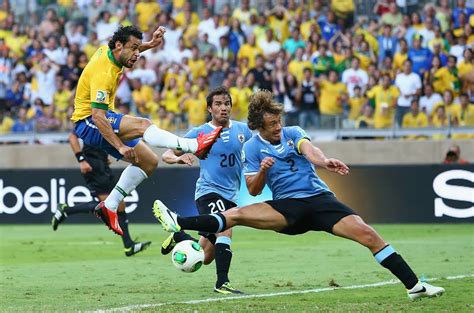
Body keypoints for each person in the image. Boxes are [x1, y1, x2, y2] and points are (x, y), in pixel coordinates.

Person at [153, 90, 445, 301]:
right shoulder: (252, 148)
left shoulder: (293, 132)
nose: (278, 128)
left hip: (320, 200)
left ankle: (414, 286)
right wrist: (265, 171)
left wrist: (324, 161)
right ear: (259, 127)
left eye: (279, 122)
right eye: (272, 125)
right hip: (287, 208)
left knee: (369, 235)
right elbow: (254, 189)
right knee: (236, 216)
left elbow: (310, 150)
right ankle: (178, 221)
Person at [71, 25, 222, 235]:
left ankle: (110, 206)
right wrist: (120, 146)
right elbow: (98, 116)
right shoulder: (103, 73)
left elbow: (127, 50)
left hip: (101, 118)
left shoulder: (110, 52)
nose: (136, 54)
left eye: (137, 48)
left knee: (149, 162)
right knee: (143, 125)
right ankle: (193, 145)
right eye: (133, 48)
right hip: (89, 121)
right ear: (118, 45)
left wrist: (149, 45)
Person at [160, 86, 252, 294]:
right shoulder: (199, 133)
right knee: (225, 227)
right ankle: (222, 283)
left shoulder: (242, 130)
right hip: (208, 191)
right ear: (210, 108)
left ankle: (179, 237)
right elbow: (166, 154)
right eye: (218, 104)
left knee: (206, 256)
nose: (224, 108)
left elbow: (255, 149)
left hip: (231, 194)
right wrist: (177, 158)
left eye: (227, 103)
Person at [51, 132, 151, 256]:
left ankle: (128, 245)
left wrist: (104, 156)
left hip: (101, 163)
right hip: (93, 164)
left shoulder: (103, 120)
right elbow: (72, 137)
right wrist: (81, 160)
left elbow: (102, 140)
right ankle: (66, 210)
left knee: (118, 204)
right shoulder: (91, 119)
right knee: (109, 204)